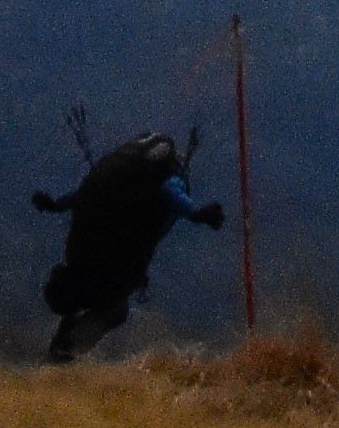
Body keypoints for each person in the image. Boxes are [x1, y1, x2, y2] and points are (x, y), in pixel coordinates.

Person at [29, 126, 224, 361]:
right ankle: (65, 352)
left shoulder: (122, 173)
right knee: (115, 310)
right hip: (116, 262)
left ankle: (62, 342)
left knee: (80, 291)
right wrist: (198, 214)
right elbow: (176, 196)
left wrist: (55, 205)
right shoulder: (167, 177)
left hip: (84, 247)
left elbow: (84, 193)